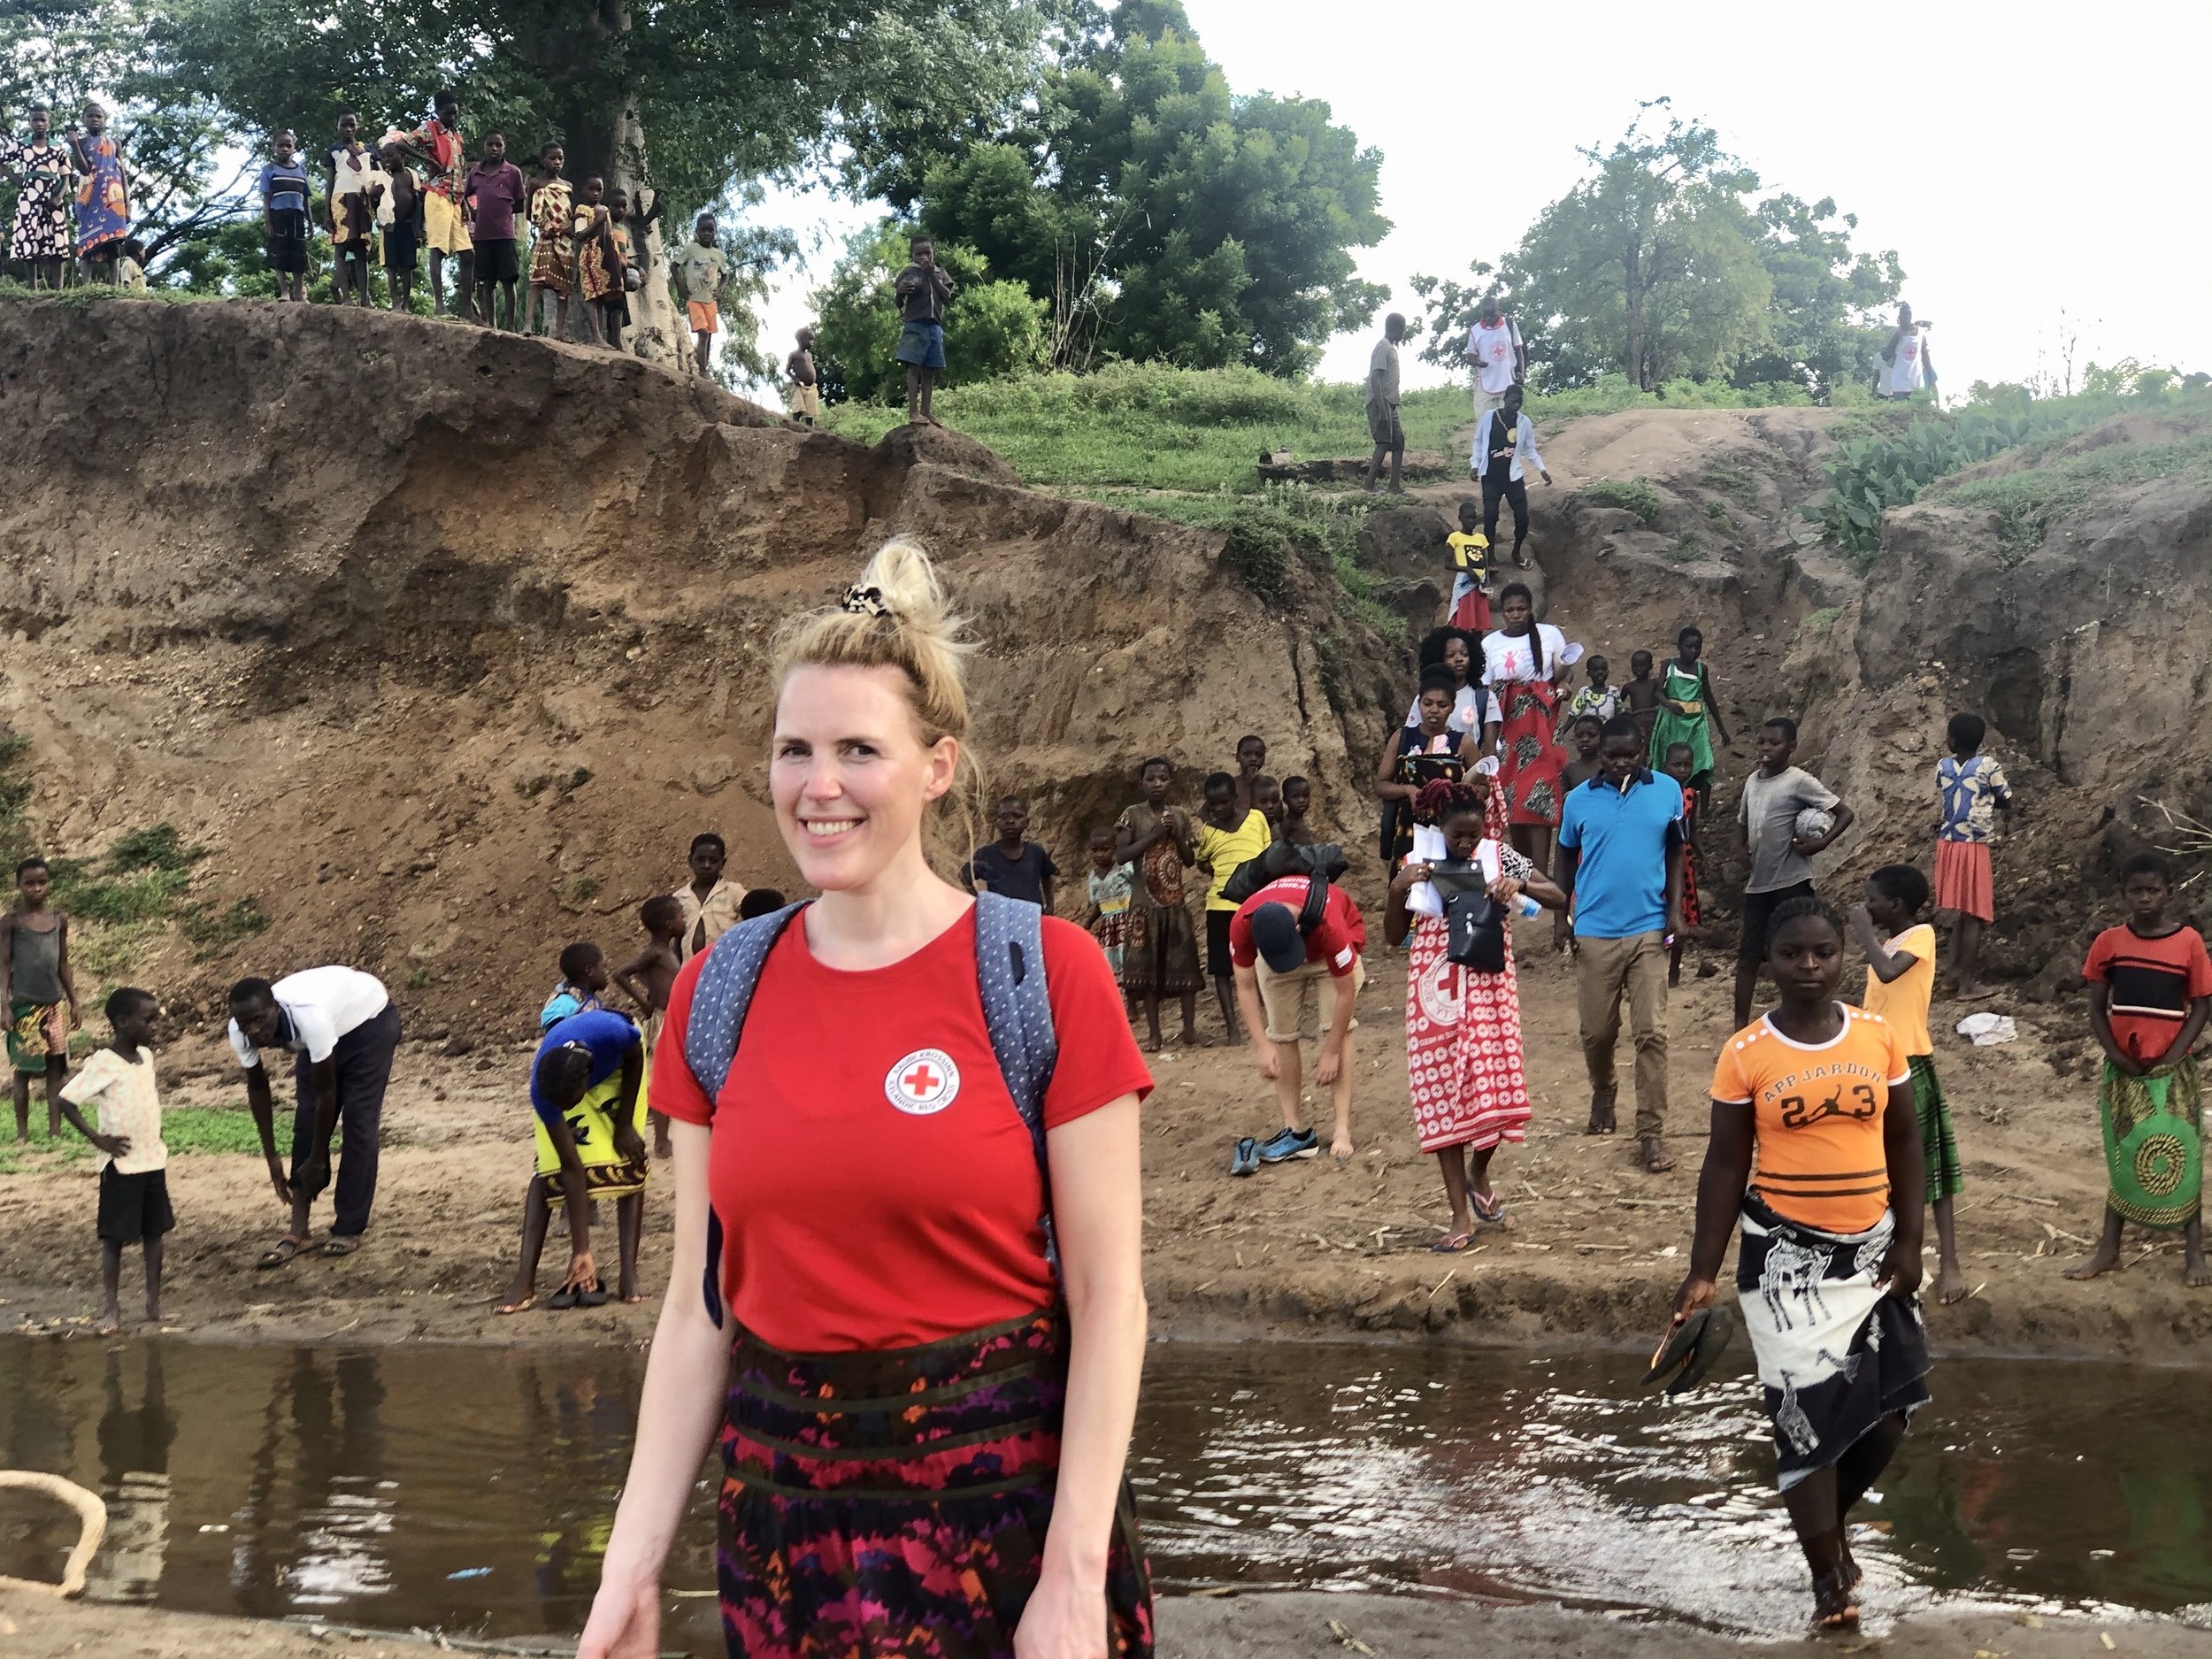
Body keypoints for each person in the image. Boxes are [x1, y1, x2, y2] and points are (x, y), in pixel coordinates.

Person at [574, 537, 1155, 1659]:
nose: (818, 785)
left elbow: (1107, 1298)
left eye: (858, 749)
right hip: (781, 1532)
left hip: (1006, 1531)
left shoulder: (1044, 974)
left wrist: (1075, 1576)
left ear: (937, 766)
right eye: (794, 749)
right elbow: (702, 1312)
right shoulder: (718, 992)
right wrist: (631, 1567)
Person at [1670, 895, 1928, 1632]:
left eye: (1822, 953)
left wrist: (1909, 1243)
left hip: (1874, 1254)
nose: (1808, 966)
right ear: (1771, 960)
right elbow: (1724, 1164)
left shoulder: (1877, 1037)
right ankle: (1827, 1579)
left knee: (1888, 1416)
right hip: (1784, 1260)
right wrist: (1701, 1269)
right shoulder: (1746, 1051)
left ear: (1843, 956)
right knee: (1807, 1424)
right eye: (1792, 954)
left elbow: (1906, 1141)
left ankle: (1818, 1520)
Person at [1385, 776, 1563, 1249]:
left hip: (1489, 990)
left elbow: (1559, 896)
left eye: (1473, 833)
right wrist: (1397, 888)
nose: (1466, 843)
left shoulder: (1497, 854)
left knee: (1495, 1094)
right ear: (1436, 826)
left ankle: (1479, 1173)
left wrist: (1517, 883)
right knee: (1442, 1100)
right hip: (1433, 995)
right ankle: (1460, 1218)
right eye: (1457, 835)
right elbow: (1391, 934)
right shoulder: (1416, 861)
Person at [2067, 852, 2212, 1287]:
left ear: (2169, 892)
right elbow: (2095, 1007)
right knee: (2124, 1154)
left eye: (2153, 890)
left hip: (2173, 1073)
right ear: (2124, 894)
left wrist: (2174, 1056)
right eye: (2136, 890)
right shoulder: (2109, 943)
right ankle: (2108, 1250)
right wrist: (2113, 1054)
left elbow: (2202, 1005)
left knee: (2183, 1155)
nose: (2145, 898)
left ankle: (2194, 1254)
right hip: (2125, 1071)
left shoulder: (2189, 943)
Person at [1555, 718, 1685, 1171]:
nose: (1621, 764)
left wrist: (1675, 911)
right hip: (1593, 927)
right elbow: (1565, 854)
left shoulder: (1667, 791)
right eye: (1612, 757)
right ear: (1600, 756)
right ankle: (1603, 1088)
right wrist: (1562, 916)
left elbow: (1674, 850)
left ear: (1642, 750)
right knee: (1597, 1032)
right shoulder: (1577, 800)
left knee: (1651, 1032)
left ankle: (1651, 1133)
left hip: (1649, 927)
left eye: (1629, 755)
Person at [228, 967, 403, 1266]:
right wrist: (272, 1158)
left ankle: (348, 1226)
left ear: (276, 1009)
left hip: (368, 1025)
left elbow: (327, 1094)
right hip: (327, 1032)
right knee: (305, 1123)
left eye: (260, 1020)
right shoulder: (239, 1031)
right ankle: (299, 1231)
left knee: (359, 1124)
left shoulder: (310, 1018)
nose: (255, 1030)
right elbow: (258, 1088)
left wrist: (319, 1159)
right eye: (246, 1024)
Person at [1853, 864, 1966, 1305]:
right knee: (1885, 1166)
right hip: (1878, 1066)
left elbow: (1886, 973)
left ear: (1896, 905)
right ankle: (1892, 1255)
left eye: (1872, 898)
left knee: (1929, 1167)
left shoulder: (1920, 936)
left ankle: (1951, 1264)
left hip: (1911, 1063)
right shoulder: (1891, 941)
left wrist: (1862, 932)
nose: (1867, 905)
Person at [497, 1007, 649, 1315]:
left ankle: (628, 1276)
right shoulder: (546, 1092)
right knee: (548, 1170)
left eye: (567, 1104)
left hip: (621, 1066)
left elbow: (634, 1058)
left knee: (628, 1159)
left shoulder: (614, 1033)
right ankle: (524, 1279)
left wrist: (623, 1126)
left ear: (585, 1080)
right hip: (566, 1077)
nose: (563, 1110)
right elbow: (572, 1167)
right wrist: (582, 1250)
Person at [1230, 868, 1367, 1163]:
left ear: (1295, 928)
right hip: (1276, 958)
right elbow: (1245, 986)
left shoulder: (1330, 923)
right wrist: (1261, 1046)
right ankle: (1293, 1128)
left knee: (1338, 1031)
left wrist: (1330, 1052)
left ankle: (1342, 1128)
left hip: (1327, 956)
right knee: (1280, 1034)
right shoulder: (1241, 923)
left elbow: (1346, 994)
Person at [55, 987, 169, 1334]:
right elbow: (65, 1100)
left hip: (152, 1159)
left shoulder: (146, 1058)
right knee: (115, 1238)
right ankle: (111, 1306)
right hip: (120, 1165)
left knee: (155, 1232)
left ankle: (153, 1302)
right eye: (147, 1020)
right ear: (122, 1022)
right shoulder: (104, 1061)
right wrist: (96, 1138)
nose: (154, 1027)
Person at [1735, 718, 1854, 1029]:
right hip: (1758, 885)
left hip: (1792, 882)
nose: (1765, 749)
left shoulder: (1798, 781)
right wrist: (1741, 851)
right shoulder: (1752, 782)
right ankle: (1739, 1028)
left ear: (1791, 747)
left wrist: (1820, 843)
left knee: (1801, 955)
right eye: (1761, 742)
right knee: (1748, 956)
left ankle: (1808, 1021)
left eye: (1774, 743)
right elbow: (1742, 823)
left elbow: (1844, 812)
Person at [1116, 757, 1204, 1051]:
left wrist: (1175, 835)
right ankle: (1155, 1034)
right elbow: (1122, 855)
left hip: (1175, 905)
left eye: (1163, 779)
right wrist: (1154, 835)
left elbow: (1190, 860)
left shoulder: (1179, 815)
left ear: (1171, 783)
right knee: (1148, 972)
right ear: (1142, 783)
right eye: (1151, 779)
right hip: (1144, 907)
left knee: (1185, 968)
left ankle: (1189, 1030)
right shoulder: (1132, 814)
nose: (1157, 784)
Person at [1486, 582, 1571, 872]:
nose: (1516, 615)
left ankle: (1541, 871)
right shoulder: (1490, 644)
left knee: (1541, 791)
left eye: (1521, 609)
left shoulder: (1550, 635)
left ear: (1530, 608)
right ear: (1502, 613)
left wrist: (1563, 684)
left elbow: (1561, 674)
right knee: (1511, 797)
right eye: (1510, 610)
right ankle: (1524, 871)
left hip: (1540, 723)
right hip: (1506, 723)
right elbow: (1487, 690)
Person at [1935, 712, 2012, 1000]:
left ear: (1952, 739)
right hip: (1973, 845)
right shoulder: (1988, 766)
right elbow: (2007, 799)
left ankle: (1951, 976)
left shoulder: (1942, 767)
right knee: (1976, 916)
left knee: (1963, 916)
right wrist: (1988, 800)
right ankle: (1967, 984)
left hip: (1948, 843)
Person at [2, 857, 79, 1141]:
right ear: (19, 886)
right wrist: (4, 1005)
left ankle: (55, 1131)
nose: (36, 888)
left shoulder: (59, 921)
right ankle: (22, 1134)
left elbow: (63, 964)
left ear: (49, 884)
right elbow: (3, 965)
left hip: (53, 1006)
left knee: (54, 1071)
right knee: (22, 1072)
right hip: (23, 1007)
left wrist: (74, 1001)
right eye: (30, 883)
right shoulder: (11, 922)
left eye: (42, 882)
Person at [1377, 669, 1484, 868]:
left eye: (1442, 705)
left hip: (1452, 832)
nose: (1434, 710)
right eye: (1428, 704)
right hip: (1409, 829)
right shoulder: (1402, 738)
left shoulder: (1464, 743)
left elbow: (1484, 788)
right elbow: (1381, 785)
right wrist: (1408, 790)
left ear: (1452, 707)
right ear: (1419, 704)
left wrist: (1455, 793)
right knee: (1407, 882)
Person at [1194, 772, 1273, 1043]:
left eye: (1223, 802)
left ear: (1234, 798)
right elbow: (1202, 861)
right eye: (1212, 804)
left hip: (1254, 903)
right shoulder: (1208, 830)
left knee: (1262, 961)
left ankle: (1271, 1020)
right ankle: (1233, 1028)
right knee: (1222, 968)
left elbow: (1267, 856)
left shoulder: (1256, 819)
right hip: (1219, 906)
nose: (1218, 809)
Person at [612, 895, 687, 1160]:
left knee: (673, 1075)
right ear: (668, 924)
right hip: (662, 1019)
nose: (685, 919)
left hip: (672, 1016)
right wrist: (644, 1003)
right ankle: (661, 1142)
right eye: (681, 916)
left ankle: (670, 1136)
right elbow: (620, 973)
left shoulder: (667, 951)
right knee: (662, 1077)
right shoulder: (655, 952)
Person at [1648, 626, 1731, 812]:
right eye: (1689, 646)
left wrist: (1722, 729)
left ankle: (1704, 813)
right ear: (1679, 646)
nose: (1694, 651)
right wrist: (1670, 705)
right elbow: (1658, 692)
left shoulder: (1701, 669)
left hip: (1696, 723)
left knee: (1705, 764)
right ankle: (1666, 806)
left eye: (1697, 647)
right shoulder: (1668, 665)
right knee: (1668, 764)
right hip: (1672, 723)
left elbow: (1709, 697)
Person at [1471, 384, 1552, 568]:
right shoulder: (1489, 417)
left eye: (1520, 402)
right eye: (1513, 401)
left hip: (1513, 477)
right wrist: (1475, 465)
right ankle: (1490, 556)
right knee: (1491, 515)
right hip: (1491, 476)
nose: (1516, 405)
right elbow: (1478, 442)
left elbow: (1529, 449)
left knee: (1523, 518)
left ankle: (1516, 552)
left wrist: (1542, 469)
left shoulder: (1524, 422)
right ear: (1505, 399)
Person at [412, 89, 474, 319]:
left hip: (456, 199)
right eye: (448, 114)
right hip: (437, 195)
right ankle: (440, 306)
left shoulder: (456, 136)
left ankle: (467, 310)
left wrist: (465, 202)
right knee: (438, 249)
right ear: (438, 112)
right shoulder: (430, 129)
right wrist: (427, 159)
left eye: (455, 114)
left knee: (468, 254)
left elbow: (458, 173)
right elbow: (402, 145)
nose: (452, 118)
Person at [2, 107, 74, 290]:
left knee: (57, 240)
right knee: (29, 238)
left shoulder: (57, 147)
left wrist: (59, 197)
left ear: (49, 122)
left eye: (43, 120)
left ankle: (58, 289)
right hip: (29, 196)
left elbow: (66, 176)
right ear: (29, 122)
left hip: (53, 197)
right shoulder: (21, 144)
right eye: (35, 120)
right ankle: (32, 287)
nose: (39, 123)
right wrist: (16, 179)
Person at [465, 133, 527, 331]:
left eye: (498, 145)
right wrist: (474, 213)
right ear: (484, 147)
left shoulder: (513, 172)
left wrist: (503, 212)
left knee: (509, 280)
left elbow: (519, 203)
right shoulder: (475, 173)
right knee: (487, 280)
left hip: (505, 234)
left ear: (504, 148)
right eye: (490, 144)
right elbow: (464, 198)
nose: (494, 148)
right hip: (482, 235)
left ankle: (510, 325)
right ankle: (491, 323)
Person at [894, 234, 955, 427]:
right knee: (914, 368)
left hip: (935, 326)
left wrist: (930, 275)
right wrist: (899, 293)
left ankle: (926, 411)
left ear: (933, 253)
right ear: (912, 255)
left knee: (930, 371)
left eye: (927, 253)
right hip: (915, 324)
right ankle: (913, 412)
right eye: (919, 254)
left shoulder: (940, 273)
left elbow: (947, 297)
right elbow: (898, 302)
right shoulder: (908, 273)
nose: (923, 257)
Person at [322, 112, 382, 307]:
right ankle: (347, 298)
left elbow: (380, 175)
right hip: (340, 199)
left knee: (361, 249)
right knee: (341, 246)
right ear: (337, 127)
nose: (348, 129)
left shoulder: (369, 150)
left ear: (358, 126)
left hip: (363, 200)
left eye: (352, 125)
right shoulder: (334, 151)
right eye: (343, 125)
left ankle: (364, 298)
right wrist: (327, 211)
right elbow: (329, 181)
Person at [961, 795, 1059, 911]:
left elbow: (1047, 876)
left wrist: (1050, 904)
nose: (1010, 821)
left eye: (1017, 816)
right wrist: (980, 901)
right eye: (1004, 816)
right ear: (996, 822)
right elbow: (964, 875)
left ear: (1027, 822)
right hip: (1000, 919)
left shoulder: (1035, 852)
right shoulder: (987, 854)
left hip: (1033, 918)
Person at [69, 102, 130, 285]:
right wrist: (73, 144)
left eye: (98, 116)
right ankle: (86, 286)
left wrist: (127, 202)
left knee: (113, 242)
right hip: (90, 197)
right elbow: (84, 170)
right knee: (87, 242)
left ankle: (114, 286)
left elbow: (123, 174)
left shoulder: (115, 143)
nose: (94, 119)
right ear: (84, 120)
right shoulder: (82, 143)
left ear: (105, 120)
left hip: (112, 198)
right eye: (90, 116)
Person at [1663, 741, 1703, 987]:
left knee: (1681, 917)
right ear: (1665, 765)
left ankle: (1674, 970)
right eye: (1676, 764)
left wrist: (1702, 855)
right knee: (1661, 913)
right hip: (1661, 860)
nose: (1682, 770)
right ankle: (1658, 961)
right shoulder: (1657, 794)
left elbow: (1692, 830)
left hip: (1684, 863)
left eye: (1686, 765)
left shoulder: (1690, 795)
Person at [1404, 626, 1494, 735]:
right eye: (1451, 655)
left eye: (1464, 654)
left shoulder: (1484, 698)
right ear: (1438, 659)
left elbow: (1490, 750)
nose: (1459, 659)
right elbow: (1410, 737)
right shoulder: (1424, 699)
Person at [523, 141, 572, 337]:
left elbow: (571, 215)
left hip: (565, 241)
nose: (557, 162)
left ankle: (559, 331)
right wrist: (545, 227)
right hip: (545, 237)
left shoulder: (568, 186)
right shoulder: (536, 183)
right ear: (543, 161)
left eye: (560, 158)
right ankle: (527, 325)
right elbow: (529, 214)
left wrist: (566, 229)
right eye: (552, 158)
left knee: (564, 286)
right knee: (537, 281)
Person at [672, 832, 744, 962]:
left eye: (713, 860)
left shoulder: (733, 891)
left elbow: (754, 914)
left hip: (723, 966)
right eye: (700, 859)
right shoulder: (679, 897)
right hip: (689, 969)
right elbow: (677, 940)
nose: (706, 865)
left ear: (723, 863)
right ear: (690, 861)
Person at [672, 213, 728, 373]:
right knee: (702, 333)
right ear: (697, 231)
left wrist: (721, 288)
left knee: (708, 336)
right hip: (694, 299)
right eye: (703, 230)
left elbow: (725, 275)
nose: (707, 233)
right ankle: (702, 370)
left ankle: (704, 367)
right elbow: (673, 266)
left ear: (715, 231)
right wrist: (680, 285)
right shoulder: (691, 249)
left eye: (710, 230)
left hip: (710, 300)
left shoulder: (718, 254)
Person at [570, 178, 623, 348]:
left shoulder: (605, 210)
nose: (595, 193)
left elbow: (610, 235)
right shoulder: (581, 210)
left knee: (602, 297)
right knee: (591, 295)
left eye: (599, 189)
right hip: (590, 257)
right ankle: (596, 336)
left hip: (606, 258)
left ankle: (602, 337)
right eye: (591, 189)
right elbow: (579, 235)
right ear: (583, 190)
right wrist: (597, 221)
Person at [1083, 827, 1137, 988]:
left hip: (1127, 919)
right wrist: (1089, 922)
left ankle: (1134, 999)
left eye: (1104, 850)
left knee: (1129, 957)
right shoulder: (1093, 877)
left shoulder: (1124, 868)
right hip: (1109, 925)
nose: (1100, 854)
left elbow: (1138, 886)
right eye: (1095, 850)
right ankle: (1123, 999)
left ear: (1114, 849)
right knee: (1112, 962)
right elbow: (1100, 904)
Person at [376, 134, 422, 311]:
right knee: (391, 266)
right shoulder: (383, 177)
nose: (387, 159)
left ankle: (406, 304)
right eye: (384, 156)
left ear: (402, 156)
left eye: (390, 155)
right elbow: (374, 193)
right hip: (390, 226)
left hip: (408, 225)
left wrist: (420, 227)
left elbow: (418, 199)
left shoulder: (412, 175)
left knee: (407, 266)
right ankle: (395, 302)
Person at [1363, 311, 1407, 494]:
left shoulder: (1390, 348)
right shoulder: (1382, 348)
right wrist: (1381, 409)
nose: (1403, 333)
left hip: (1390, 403)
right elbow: (1375, 379)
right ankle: (1369, 485)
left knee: (1398, 442)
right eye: (1402, 329)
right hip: (1380, 402)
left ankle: (1394, 486)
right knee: (1383, 442)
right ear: (1395, 328)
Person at [1462, 297, 1524, 415]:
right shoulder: (1476, 331)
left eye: (1492, 315)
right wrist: (1478, 362)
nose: (1489, 319)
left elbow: (1518, 349)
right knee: (1483, 420)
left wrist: (1521, 372)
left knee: (1509, 419)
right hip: (1484, 382)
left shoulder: (1509, 325)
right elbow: (1470, 356)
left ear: (1498, 311)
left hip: (1507, 380)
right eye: (1486, 315)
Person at [1446, 501, 1493, 632]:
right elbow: (1447, 563)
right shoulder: (1454, 537)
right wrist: (1467, 569)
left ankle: (1477, 651)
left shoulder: (1481, 538)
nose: (1471, 521)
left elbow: (1485, 562)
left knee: (1479, 625)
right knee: (1463, 624)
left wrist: (1486, 583)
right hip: (1464, 583)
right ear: (1460, 518)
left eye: (1474, 518)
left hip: (1479, 583)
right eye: (1468, 518)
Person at [541, 941, 611, 1029]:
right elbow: (552, 1024)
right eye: (603, 967)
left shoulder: (589, 1000)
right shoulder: (565, 1002)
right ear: (589, 971)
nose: (606, 972)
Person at [1878, 303, 1936, 403]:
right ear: (1899, 317)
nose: (1906, 316)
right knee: (1901, 411)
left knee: (1917, 412)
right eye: (1903, 314)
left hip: (1916, 381)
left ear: (1911, 316)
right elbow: (1885, 356)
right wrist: (1895, 339)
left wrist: (1931, 378)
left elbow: (1925, 356)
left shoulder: (1920, 332)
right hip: (1899, 382)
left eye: (1908, 314)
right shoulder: (1894, 332)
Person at [1558, 654, 1620, 735]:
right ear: (1588, 673)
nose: (1600, 672)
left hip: (1608, 734)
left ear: (1608, 671)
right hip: (1590, 735)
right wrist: (1563, 730)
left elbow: (1619, 714)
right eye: (1595, 670)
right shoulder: (1585, 692)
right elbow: (1575, 713)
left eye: (1603, 669)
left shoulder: (1614, 692)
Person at [1623, 649, 1663, 749]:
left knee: (1656, 747)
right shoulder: (1629, 686)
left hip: (1654, 720)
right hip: (1637, 721)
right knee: (1640, 747)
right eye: (1635, 666)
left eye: (1642, 665)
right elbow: (1618, 703)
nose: (1639, 669)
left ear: (1651, 667)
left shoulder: (1655, 683)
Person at [1230, 734, 1275, 819]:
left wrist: (1258, 784)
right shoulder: (1231, 785)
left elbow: (1278, 815)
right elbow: (1204, 812)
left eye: (1259, 755)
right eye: (1247, 754)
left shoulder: (1270, 783)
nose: (1254, 758)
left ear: (1264, 759)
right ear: (1237, 757)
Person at [1559, 713, 1605, 793]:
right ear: (1574, 738)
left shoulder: (1608, 766)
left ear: (1602, 737)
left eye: (1592, 735)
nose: (1585, 739)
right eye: (1579, 736)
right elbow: (1564, 800)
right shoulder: (1570, 769)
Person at [787, 326, 821, 425]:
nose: (812, 343)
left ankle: (810, 432)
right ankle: (794, 428)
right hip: (800, 387)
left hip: (811, 388)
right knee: (798, 410)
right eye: (810, 340)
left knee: (810, 413)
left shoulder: (809, 355)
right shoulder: (794, 354)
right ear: (803, 340)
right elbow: (787, 370)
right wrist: (796, 379)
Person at [1279, 775, 1319, 848]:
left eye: (1305, 796)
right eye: (1296, 797)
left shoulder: (1301, 821)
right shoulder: (1287, 824)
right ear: (1285, 799)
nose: (1302, 800)